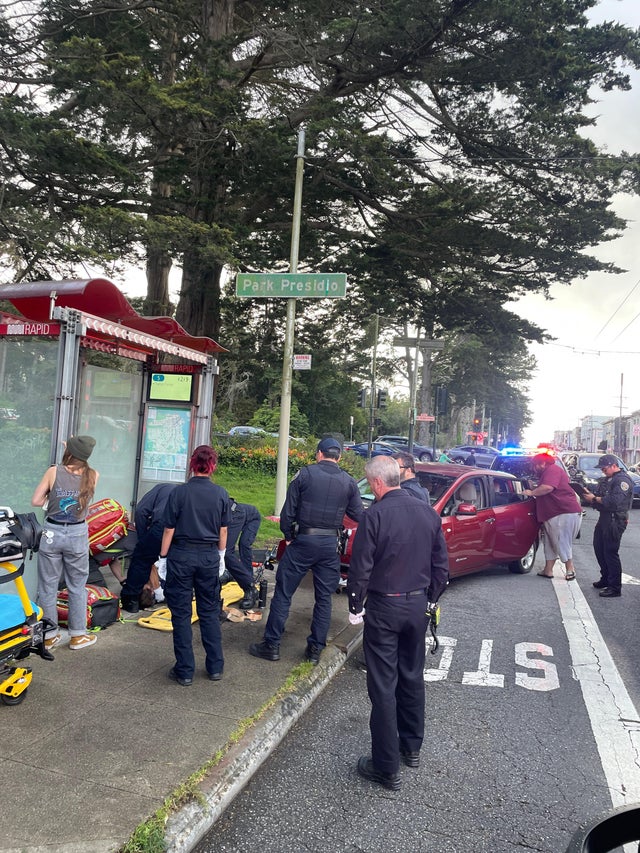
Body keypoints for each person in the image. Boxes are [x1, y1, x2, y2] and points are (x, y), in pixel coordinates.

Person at [347, 455, 449, 791]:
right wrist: (430, 598)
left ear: (377, 483)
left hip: (384, 606)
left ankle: (386, 765)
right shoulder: (427, 512)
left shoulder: (374, 515)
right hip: (417, 605)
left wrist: (354, 606)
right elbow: (441, 566)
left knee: (383, 684)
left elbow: (360, 568)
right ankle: (411, 746)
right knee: (412, 675)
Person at [250, 436, 364, 665]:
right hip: (330, 546)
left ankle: (271, 645)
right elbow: (358, 515)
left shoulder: (305, 475)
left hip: (303, 541)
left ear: (319, 453)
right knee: (324, 598)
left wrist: (289, 537)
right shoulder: (349, 482)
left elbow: (287, 513)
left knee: (283, 593)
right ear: (339, 457)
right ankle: (315, 650)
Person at [160, 446, 230, 685]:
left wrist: (162, 558)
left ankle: (185, 670)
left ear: (192, 464)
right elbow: (223, 530)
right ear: (213, 466)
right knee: (209, 611)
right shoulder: (221, 494)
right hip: (209, 556)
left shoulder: (179, 493)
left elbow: (169, 529)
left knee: (181, 614)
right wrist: (221, 556)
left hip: (181, 555)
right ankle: (215, 667)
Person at [31, 435, 99, 651]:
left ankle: (50, 636)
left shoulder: (54, 472)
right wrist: (73, 448)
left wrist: (53, 496)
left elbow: (36, 501)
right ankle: (78, 636)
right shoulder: (93, 475)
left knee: (47, 586)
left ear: (68, 451)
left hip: (52, 533)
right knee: (77, 586)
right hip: (77, 535)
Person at [523, 453, 582, 581]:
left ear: (543, 463)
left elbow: (548, 488)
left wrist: (531, 492)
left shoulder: (552, 470)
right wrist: (534, 487)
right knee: (550, 542)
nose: (534, 468)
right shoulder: (550, 472)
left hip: (562, 512)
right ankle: (548, 570)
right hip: (554, 513)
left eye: (536, 465)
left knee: (561, 541)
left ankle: (570, 568)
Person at [120, 482, 176, 613]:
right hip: (184, 529)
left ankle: (131, 600)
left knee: (142, 559)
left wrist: (143, 536)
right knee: (175, 563)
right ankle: (174, 596)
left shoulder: (160, 488)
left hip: (162, 526)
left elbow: (141, 511)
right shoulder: (183, 492)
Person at [582, 454, 633, 598]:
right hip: (604, 518)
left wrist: (595, 498)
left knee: (610, 552)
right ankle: (605, 578)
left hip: (615, 519)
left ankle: (614, 587)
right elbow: (601, 498)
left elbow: (614, 501)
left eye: (604, 468)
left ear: (613, 465)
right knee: (599, 548)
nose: (602, 471)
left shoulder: (623, 480)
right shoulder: (607, 480)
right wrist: (590, 497)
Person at [224, 499, 262, 610]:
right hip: (233, 514)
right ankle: (241, 575)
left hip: (251, 517)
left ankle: (249, 586)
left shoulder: (233, 512)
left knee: (243, 545)